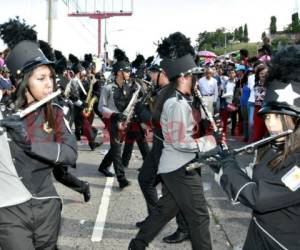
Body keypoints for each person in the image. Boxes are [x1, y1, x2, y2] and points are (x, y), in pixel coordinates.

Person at [129, 32, 216, 250]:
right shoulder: (176, 103)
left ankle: (137, 244)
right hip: (180, 166)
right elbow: (180, 142)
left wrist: (207, 126)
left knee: (163, 211)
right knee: (199, 217)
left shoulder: (187, 98)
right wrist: (210, 142)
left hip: (178, 164)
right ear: (185, 76)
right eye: (194, 74)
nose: (197, 78)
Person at [208, 45, 300, 250]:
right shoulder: (272, 146)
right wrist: (221, 163)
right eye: (268, 116)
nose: (271, 124)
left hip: (282, 244)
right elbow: (255, 177)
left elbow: (259, 197)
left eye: (279, 117)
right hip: (258, 234)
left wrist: (228, 168)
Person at [0, 40, 78, 249]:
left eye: (50, 77)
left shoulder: (55, 112)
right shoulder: (3, 113)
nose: (49, 84)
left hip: (47, 205)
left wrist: (29, 143)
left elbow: (70, 154)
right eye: (41, 78)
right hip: (9, 210)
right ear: (22, 81)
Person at [98, 48, 135, 189]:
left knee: (116, 147)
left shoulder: (128, 86)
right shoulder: (107, 88)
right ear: (119, 72)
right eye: (127, 71)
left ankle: (103, 166)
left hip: (125, 121)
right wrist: (114, 114)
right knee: (117, 148)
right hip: (113, 120)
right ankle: (121, 178)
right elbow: (102, 107)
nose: (129, 73)